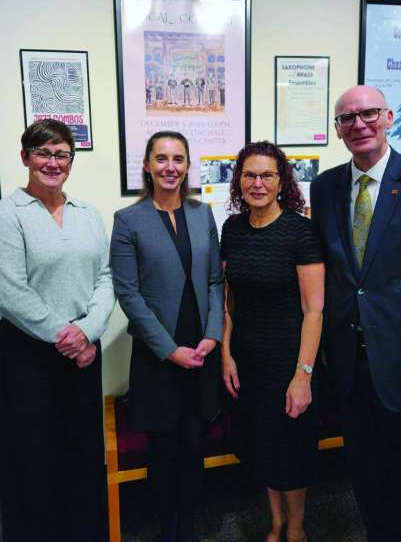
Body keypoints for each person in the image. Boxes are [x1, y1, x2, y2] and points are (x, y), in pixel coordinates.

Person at [310, 85, 401, 542]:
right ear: (337, 130)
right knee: (368, 488)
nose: (359, 124)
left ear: (389, 117)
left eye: (368, 113)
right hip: (351, 369)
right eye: (347, 119)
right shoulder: (326, 186)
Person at [0, 119, 115, 542]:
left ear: (71, 160)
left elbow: (105, 278)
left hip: (85, 351)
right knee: (34, 456)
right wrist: (66, 336)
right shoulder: (7, 214)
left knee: (83, 453)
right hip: (30, 355)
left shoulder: (88, 214)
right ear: (25, 157)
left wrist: (88, 331)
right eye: (43, 153)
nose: (53, 162)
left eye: (61, 154)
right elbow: (9, 291)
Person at [110, 130, 223, 542]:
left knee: (194, 441)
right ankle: (168, 528)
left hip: (201, 347)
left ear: (188, 165)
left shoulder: (202, 213)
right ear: (147, 165)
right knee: (164, 444)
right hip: (159, 352)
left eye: (178, 159)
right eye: (161, 158)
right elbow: (128, 293)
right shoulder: (129, 220)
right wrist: (168, 349)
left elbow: (214, 280)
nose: (170, 167)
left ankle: (190, 524)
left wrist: (213, 335)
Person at [221, 141, 324, 542]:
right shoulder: (232, 228)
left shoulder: (301, 230)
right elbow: (228, 300)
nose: (258, 183)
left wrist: (303, 376)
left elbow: (314, 310)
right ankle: (276, 522)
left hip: (290, 358)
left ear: (281, 181)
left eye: (266, 175)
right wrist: (226, 354)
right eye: (250, 175)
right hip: (248, 358)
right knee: (262, 444)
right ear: (239, 181)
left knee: (291, 449)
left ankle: (295, 528)